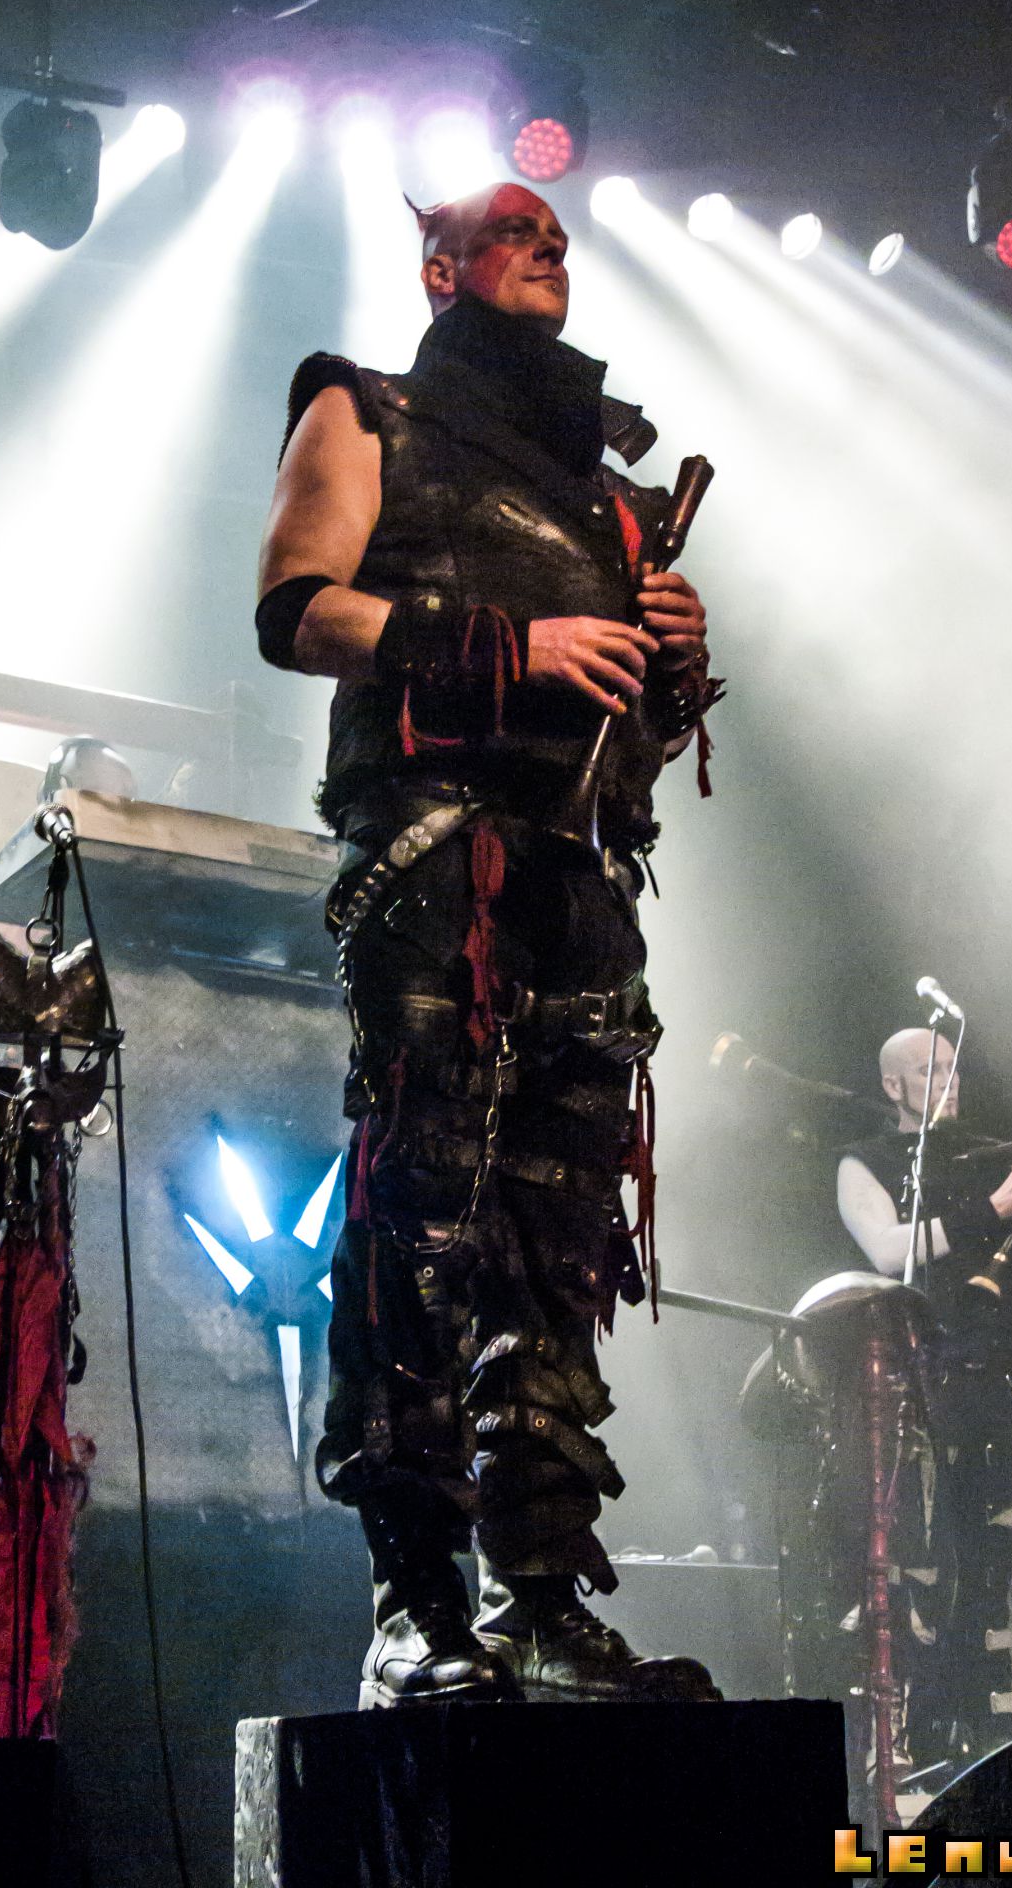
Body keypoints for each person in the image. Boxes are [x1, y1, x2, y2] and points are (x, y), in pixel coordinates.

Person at [255, 181, 721, 1708]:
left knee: (558, 1245)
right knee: (424, 1215)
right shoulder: (365, 408)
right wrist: (509, 644)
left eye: (562, 235)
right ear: (440, 265)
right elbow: (297, 608)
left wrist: (674, 670)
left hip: (579, 881)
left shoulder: (610, 496)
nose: (551, 245)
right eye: (516, 228)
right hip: (435, 860)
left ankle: (541, 1602)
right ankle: (415, 1603)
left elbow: (641, 731)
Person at [832, 1026, 1012, 1784]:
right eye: (928, 1069)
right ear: (893, 1086)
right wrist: (992, 1207)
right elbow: (887, 1252)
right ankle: (914, 1737)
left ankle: (996, 1736)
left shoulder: (991, 1155)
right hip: (914, 1383)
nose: (948, 1081)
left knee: (996, 1557)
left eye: (952, 1066)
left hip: (995, 1377)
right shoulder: (865, 1161)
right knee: (920, 1556)